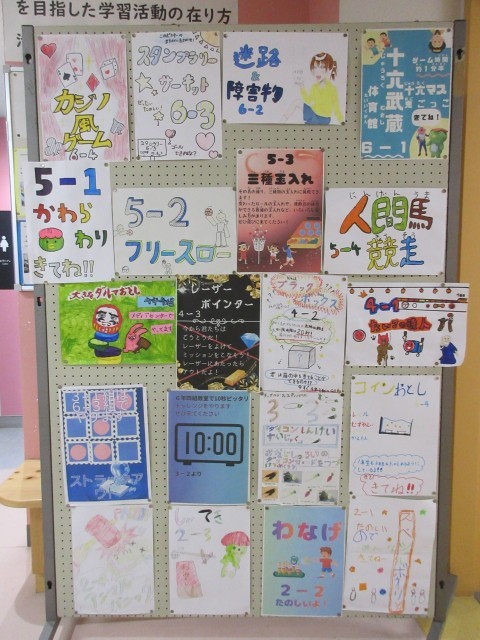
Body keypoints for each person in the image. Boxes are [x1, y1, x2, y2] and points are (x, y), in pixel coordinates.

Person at [300, 52, 343, 125]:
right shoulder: (314, 87)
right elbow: (309, 101)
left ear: (329, 69)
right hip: (314, 114)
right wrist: (302, 88)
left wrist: (341, 121)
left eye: (322, 67)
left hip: (324, 118)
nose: (317, 71)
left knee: (297, 103)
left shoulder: (332, 88)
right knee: (297, 102)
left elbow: (336, 108)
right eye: (315, 67)